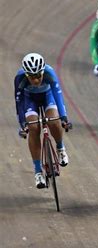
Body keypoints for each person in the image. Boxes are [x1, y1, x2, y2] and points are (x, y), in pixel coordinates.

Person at [15, 53, 72, 189]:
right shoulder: (19, 77)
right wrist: (23, 125)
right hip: (30, 100)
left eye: (38, 76)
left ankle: (60, 148)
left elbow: (58, 95)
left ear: (42, 72)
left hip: (48, 96)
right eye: (32, 77)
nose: (36, 80)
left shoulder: (49, 72)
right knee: (33, 128)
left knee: (53, 121)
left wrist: (63, 118)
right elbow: (19, 102)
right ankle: (38, 171)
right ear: (27, 74)